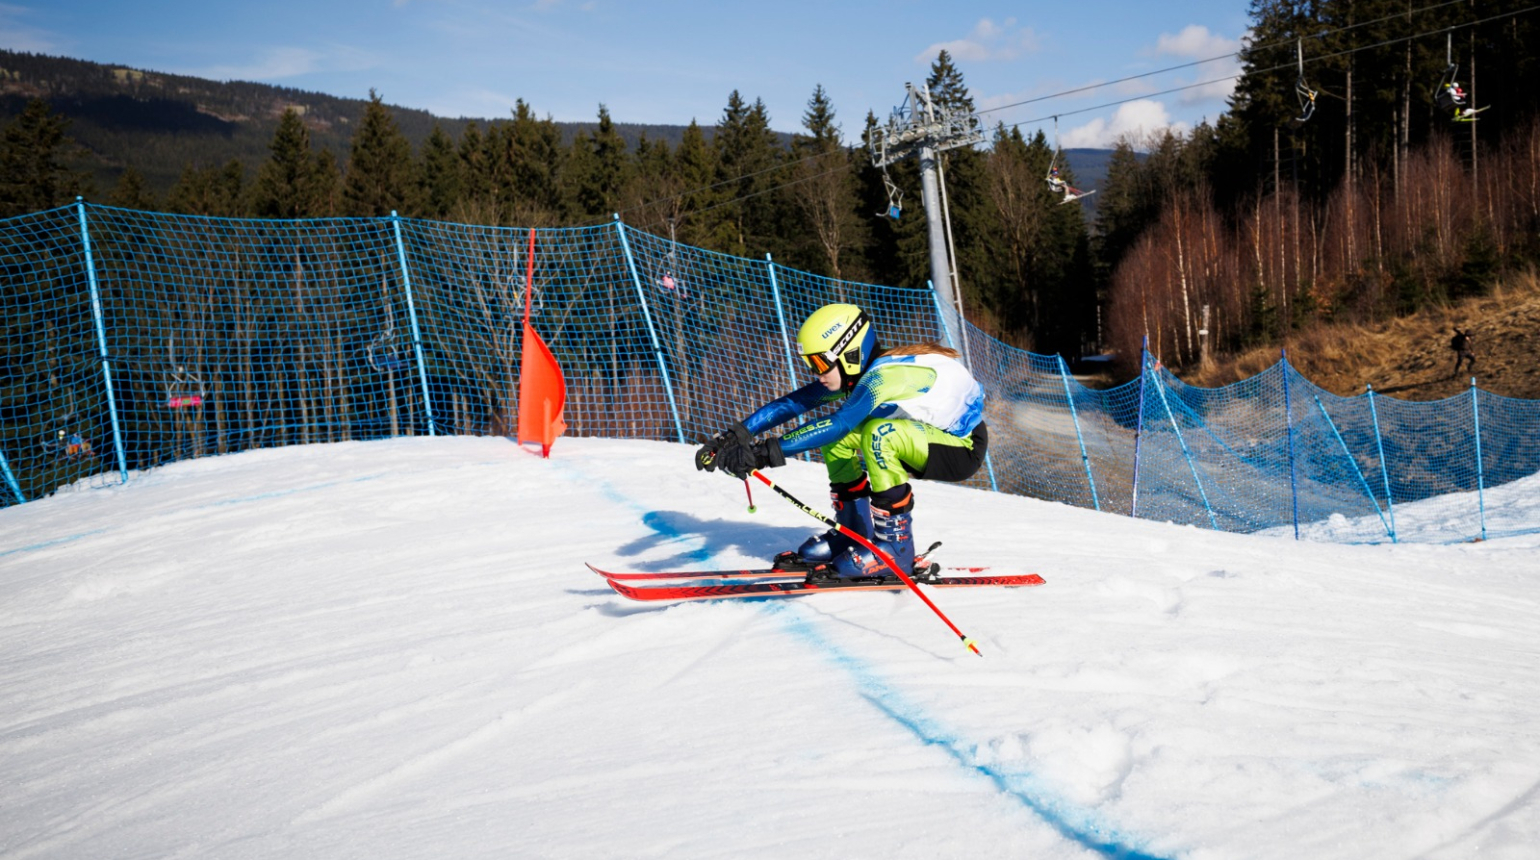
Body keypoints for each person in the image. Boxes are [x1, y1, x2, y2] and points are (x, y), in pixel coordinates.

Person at [694, 303, 988, 580]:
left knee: (876, 433)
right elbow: (798, 402)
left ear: (851, 353)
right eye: (811, 364)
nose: (816, 373)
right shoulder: (863, 374)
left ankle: (896, 551)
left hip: (961, 448)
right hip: (926, 436)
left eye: (821, 362)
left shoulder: (883, 379)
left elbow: (839, 422)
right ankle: (853, 534)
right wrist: (734, 436)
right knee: (840, 440)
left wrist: (763, 454)